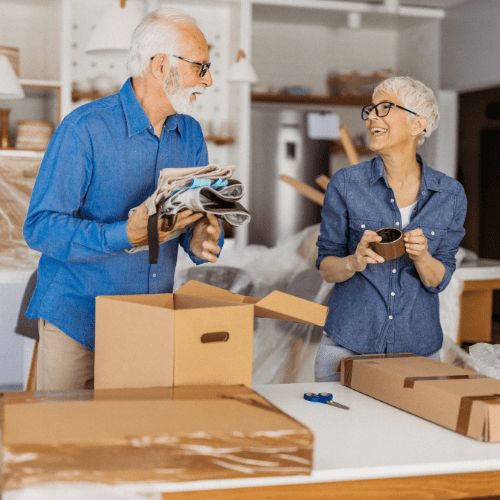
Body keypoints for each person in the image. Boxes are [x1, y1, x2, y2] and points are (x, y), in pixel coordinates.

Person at [23, 8, 223, 391]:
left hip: (146, 322)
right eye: (201, 67)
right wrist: (124, 235)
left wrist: (198, 238)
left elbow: (187, 217)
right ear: (162, 66)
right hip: (77, 318)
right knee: (68, 441)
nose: (208, 80)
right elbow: (40, 227)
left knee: (132, 441)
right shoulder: (84, 129)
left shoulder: (191, 133)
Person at [314, 76, 467, 382]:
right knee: (339, 429)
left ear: (417, 124)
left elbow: (439, 280)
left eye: (383, 108)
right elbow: (327, 268)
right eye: (370, 109)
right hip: (347, 345)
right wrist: (353, 262)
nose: (371, 117)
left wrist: (423, 257)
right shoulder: (346, 183)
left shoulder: (450, 195)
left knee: (408, 431)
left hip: (417, 352)